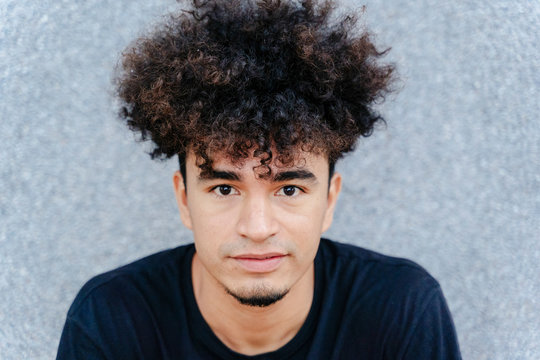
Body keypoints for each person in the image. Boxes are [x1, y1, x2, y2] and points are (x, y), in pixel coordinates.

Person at [57, 0, 461, 358]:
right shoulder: (110, 321)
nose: (257, 227)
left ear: (329, 201)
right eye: (224, 188)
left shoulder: (401, 310)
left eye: (289, 188)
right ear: (184, 199)